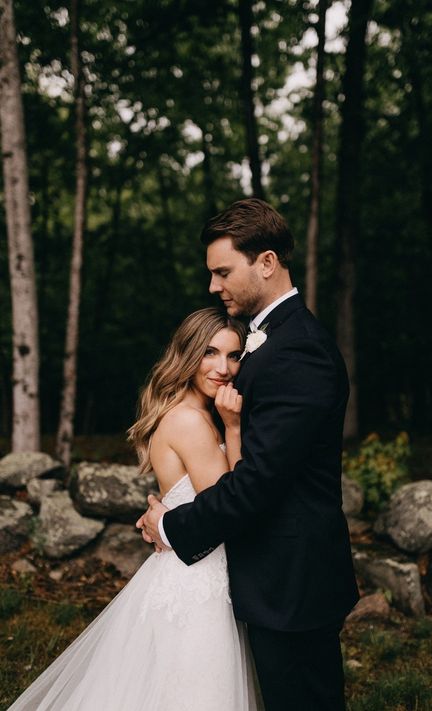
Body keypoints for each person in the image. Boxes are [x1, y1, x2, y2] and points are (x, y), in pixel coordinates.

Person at [139, 198, 360, 711]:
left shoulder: (297, 350)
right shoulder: (273, 340)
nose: (214, 287)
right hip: (277, 574)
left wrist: (173, 526)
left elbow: (260, 481)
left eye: (222, 272)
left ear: (266, 262)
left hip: (292, 579)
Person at [8, 308, 257, 711]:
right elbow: (224, 503)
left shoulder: (189, 413)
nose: (223, 368)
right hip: (198, 578)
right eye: (210, 353)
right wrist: (234, 427)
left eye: (233, 356)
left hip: (187, 563)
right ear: (188, 355)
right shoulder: (192, 422)